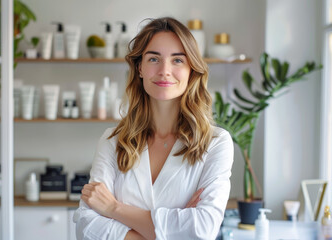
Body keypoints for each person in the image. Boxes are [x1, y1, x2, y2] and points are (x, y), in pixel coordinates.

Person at [73, 17, 234, 240]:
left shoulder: (216, 143)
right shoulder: (112, 141)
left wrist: (113, 209)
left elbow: (202, 229)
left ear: (191, 70)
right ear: (140, 68)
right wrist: (171, 230)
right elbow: (86, 227)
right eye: (154, 59)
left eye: (177, 60)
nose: (164, 70)